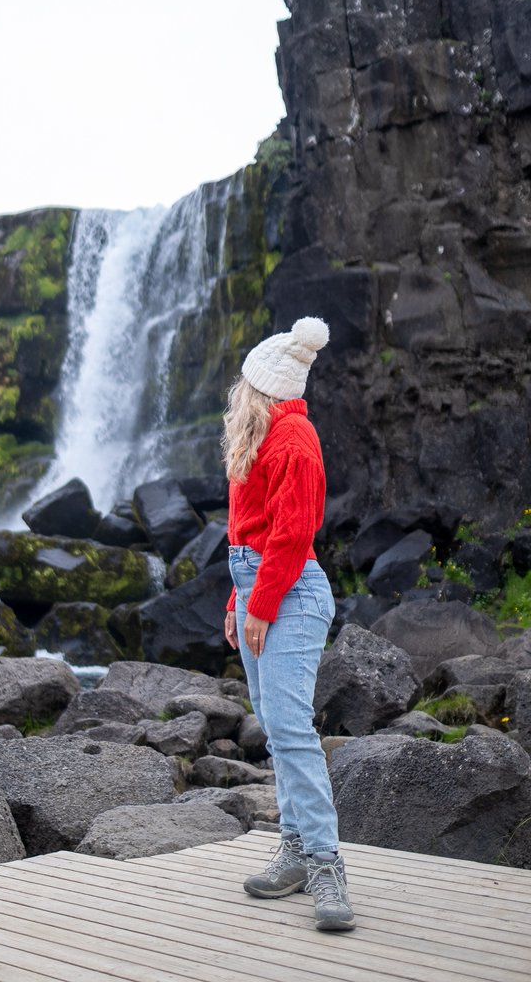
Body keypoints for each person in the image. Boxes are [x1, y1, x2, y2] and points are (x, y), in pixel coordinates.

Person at [222, 315, 355, 933]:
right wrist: (235, 600)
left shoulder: (295, 441)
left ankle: (327, 862)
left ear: (262, 389)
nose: (237, 394)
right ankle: (297, 851)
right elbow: (248, 536)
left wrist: (259, 606)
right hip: (259, 585)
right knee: (277, 728)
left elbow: (293, 535)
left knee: (292, 729)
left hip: (291, 593)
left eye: (245, 385)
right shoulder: (258, 437)